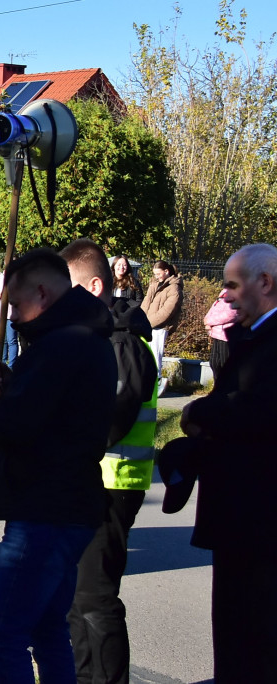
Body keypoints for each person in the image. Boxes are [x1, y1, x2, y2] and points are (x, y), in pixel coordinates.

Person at [0, 248, 117, 683]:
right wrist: (14, 383)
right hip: (65, 507)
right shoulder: (77, 337)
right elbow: (52, 407)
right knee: (47, 628)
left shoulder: (63, 344)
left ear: (42, 293)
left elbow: (17, 422)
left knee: (2, 633)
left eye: (16, 305)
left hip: (46, 512)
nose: (13, 316)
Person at [61, 239, 159, 684]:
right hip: (89, 481)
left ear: (94, 287)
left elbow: (109, 420)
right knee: (76, 598)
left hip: (111, 483)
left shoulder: (123, 342)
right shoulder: (97, 338)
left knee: (95, 599)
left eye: (68, 290)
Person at [178, 243, 277, 683]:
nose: (225, 295)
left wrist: (200, 412)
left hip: (258, 524)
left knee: (252, 643)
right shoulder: (252, 336)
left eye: (233, 284)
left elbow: (255, 408)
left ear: (265, 282)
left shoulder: (269, 342)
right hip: (242, 522)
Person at [140, 260, 182, 394]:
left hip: (160, 328)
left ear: (166, 271)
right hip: (148, 326)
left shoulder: (174, 288)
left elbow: (166, 312)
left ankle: (157, 382)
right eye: (155, 274)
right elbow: (146, 303)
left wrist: (148, 323)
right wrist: (141, 319)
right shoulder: (155, 285)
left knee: (155, 356)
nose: (156, 276)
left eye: (158, 274)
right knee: (146, 356)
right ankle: (148, 383)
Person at [203, 288, 236, 382]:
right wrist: (206, 320)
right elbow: (214, 306)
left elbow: (231, 314)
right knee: (214, 363)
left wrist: (210, 321)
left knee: (225, 364)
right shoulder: (225, 292)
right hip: (217, 333)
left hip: (227, 335)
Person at [0, 268, 18, 367]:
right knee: (1, 340)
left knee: (12, 340)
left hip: (11, 314)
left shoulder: (17, 277)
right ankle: (2, 363)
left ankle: (12, 365)